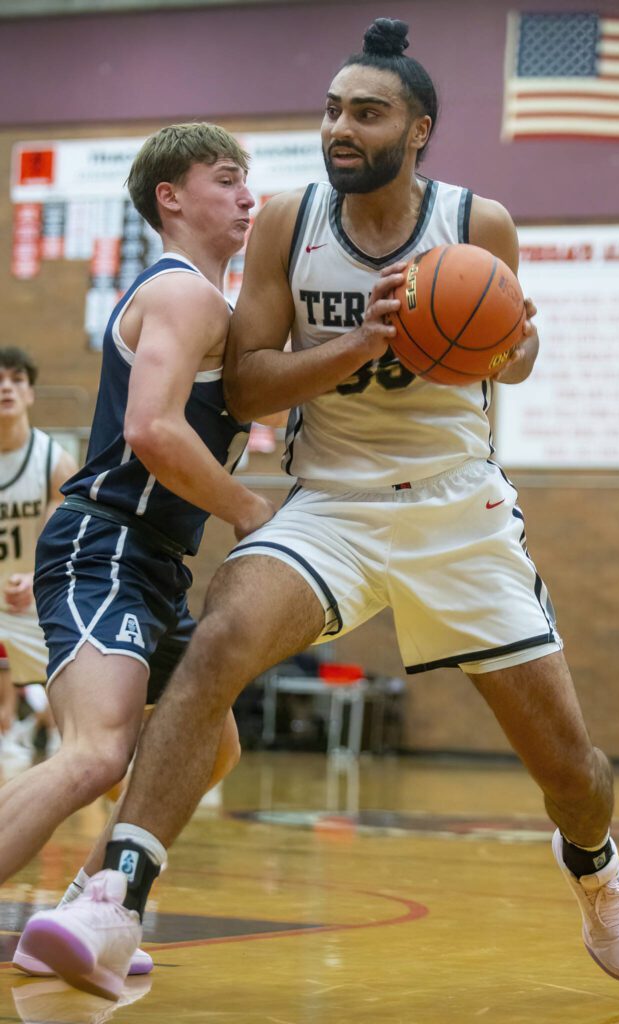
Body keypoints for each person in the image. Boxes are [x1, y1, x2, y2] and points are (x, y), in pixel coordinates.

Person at [23, 19, 619, 997]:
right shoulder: (289, 222)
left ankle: (594, 862)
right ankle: (114, 893)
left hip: (460, 509)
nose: (340, 127)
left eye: (366, 111)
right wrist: (365, 340)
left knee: (570, 768)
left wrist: (514, 342)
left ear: (420, 128)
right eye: (331, 109)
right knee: (221, 638)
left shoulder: (479, 222)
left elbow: (515, 355)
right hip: (334, 500)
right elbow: (249, 389)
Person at [8, 122, 274, 989]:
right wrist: (245, 510)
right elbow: (151, 429)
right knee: (97, 752)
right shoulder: (183, 292)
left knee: (207, 746)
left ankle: (86, 906)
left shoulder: (219, 309)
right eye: (227, 179)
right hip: (105, 541)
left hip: (156, 561)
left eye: (249, 181)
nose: (246, 196)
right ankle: (88, 903)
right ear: (171, 196)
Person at [0, 348, 77, 757]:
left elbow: (67, 545)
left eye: (16, 379)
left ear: (30, 393)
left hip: (32, 604)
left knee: (82, 717)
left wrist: (36, 578)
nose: (6, 387)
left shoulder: (53, 461)